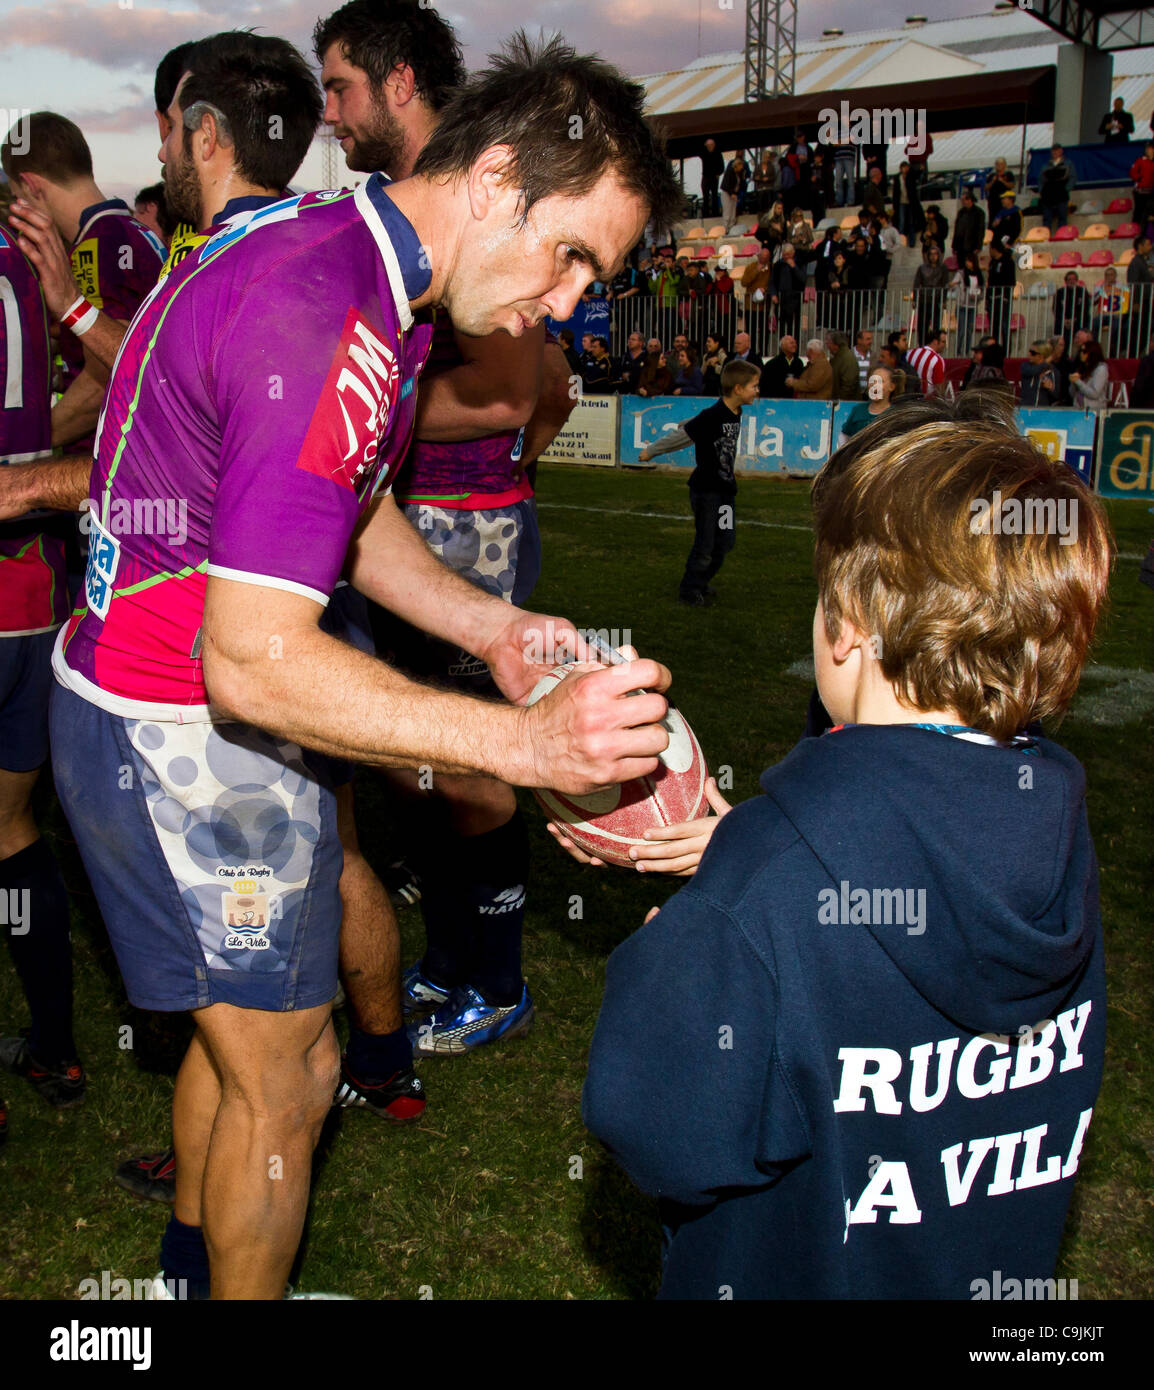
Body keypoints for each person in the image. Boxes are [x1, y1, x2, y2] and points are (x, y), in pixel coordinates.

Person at [41, 30, 682, 1304]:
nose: (566, 306)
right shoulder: (328, 305)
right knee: (291, 1075)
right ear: (497, 179)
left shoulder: (345, 259)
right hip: (182, 727)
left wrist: (487, 629)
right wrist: (520, 745)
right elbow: (258, 663)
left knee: (244, 1057)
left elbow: (338, 506)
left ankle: (185, 1278)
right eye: (571, 256)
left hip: (144, 705)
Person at [583, 398, 1112, 1300]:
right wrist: (759, 857)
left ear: (852, 623)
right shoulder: (1050, 820)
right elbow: (906, 886)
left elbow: (659, 1130)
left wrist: (691, 941)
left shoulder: (772, 875)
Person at [0, 183, 84, 1136]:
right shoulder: (32, 268)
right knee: (14, 830)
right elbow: (108, 382)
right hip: (34, 594)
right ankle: (57, 1042)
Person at [1, 113, 165, 449]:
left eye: (18, 195)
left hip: (106, 466)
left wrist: (29, 446)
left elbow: (103, 381)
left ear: (31, 185)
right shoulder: (137, 230)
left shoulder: (96, 243)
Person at [637, 360, 761, 606]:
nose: (757, 391)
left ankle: (701, 583)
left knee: (725, 541)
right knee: (705, 544)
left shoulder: (735, 412)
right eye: (754, 386)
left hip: (726, 494)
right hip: (707, 493)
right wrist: (651, 450)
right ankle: (689, 590)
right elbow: (683, 436)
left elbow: (697, 423)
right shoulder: (713, 416)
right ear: (738, 388)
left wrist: (689, 423)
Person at [837, 364, 896, 444]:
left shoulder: (895, 414)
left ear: (891, 387)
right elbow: (844, 435)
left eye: (881, 381)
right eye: (872, 381)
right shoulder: (858, 410)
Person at [913, 244, 949, 346]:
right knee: (922, 326)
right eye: (931, 254)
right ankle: (922, 346)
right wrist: (915, 299)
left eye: (935, 254)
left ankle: (935, 346)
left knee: (936, 326)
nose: (933, 256)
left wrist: (944, 300)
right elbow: (916, 283)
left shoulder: (943, 268)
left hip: (937, 299)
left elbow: (945, 284)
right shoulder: (922, 268)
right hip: (924, 299)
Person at [770, 242, 806, 343]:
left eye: (788, 254)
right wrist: (773, 294)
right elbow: (772, 281)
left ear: (793, 253)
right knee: (781, 325)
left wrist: (794, 267)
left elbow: (803, 279)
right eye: (784, 254)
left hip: (795, 298)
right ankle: (782, 346)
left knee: (794, 325)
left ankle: (795, 347)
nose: (786, 257)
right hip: (781, 298)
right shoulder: (778, 265)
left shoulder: (799, 262)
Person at [1038, 145, 1077, 236]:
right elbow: (1040, 180)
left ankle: (1062, 236)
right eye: (1053, 151)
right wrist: (1041, 191)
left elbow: (1073, 178)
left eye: (1057, 150)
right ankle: (1045, 236)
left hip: (1061, 193)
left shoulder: (1068, 163)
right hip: (1047, 193)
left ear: (1061, 151)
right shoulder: (1046, 165)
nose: (1055, 152)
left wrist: (1066, 189)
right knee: (1047, 218)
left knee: (1062, 216)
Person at [1126, 233, 1154, 356]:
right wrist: (1135, 302)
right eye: (1148, 244)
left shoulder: (1143, 261)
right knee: (1140, 330)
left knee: (1145, 329)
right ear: (1140, 246)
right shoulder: (1136, 262)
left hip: (1147, 301)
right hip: (1141, 302)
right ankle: (1133, 354)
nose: (1150, 246)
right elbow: (1134, 283)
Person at [952, 250, 984, 357]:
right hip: (962, 305)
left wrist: (977, 296)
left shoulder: (979, 274)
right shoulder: (961, 273)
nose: (967, 263)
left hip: (973, 305)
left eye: (969, 261)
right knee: (961, 330)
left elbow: (981, 289)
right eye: (966, 261)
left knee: (969, 330)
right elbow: (954, 283)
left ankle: (967, 351)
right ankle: (958, 351)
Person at [986, 239, 1016, 349]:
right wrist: (987, 298)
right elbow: (989, 281)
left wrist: (1006, 296)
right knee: (994, 328)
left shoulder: (1008, 262)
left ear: (994, 249)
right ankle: (995, 350)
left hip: (1003, 299)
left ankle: (1006, 351)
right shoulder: (992, 263)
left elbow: (1011, 282)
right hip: (992, 299)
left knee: (1004, 326)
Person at [1092, 265, 1127, 356]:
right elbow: (1094, 301)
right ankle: (1094, 349)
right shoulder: (1099, 287)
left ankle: (1113, 350)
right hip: (1103, 315)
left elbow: (1125, 302)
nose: (1109, 277)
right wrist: (1103, 289)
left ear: (1115, 276)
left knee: (1117, 327)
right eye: (1107, 275)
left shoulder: (1122, 286)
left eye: (1111, 275)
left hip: (1116, 315)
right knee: (1093, 324)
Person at [1069, 338, 1110, 410]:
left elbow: (1095, 394)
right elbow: (1072, 394)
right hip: (1078, 409)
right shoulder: (1081, 367)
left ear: (1092, 353)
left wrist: (1078, 382)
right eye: (1080, 351)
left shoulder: (1101, 369)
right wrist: (1073, 382)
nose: (1081, 354)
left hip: (1093, 412)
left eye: (1084, 351)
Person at [907, 326, 947, 396]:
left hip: (907, 397)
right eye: (943, 342)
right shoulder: (937, 359)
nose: (945, 345)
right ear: (935, 342)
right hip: (924, 401)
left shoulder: (910, 353)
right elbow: (939, 387)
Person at [1019, 339, 1060, 407]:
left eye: (1033, 353)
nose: (1029, 354)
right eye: (1029, 351)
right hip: (1025, 408)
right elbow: (1032, 371)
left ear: (1041, 355)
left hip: (1042, 411)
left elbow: (1056, 396)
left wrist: (1050, 388)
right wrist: (1046, 363)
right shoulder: (1025, 366)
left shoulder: (1053, 372)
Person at [759, 334, 802, 398]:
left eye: (795, 343)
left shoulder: (799, 362)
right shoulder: (772, 364)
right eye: (791, 343)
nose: (794, 345)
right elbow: (764, 385)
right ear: (783, 346)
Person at [1054, 271, 1092, 342]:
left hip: (1079, 320)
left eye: (1074, 279)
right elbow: (1056, 309)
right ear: (1065, 281)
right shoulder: (1060, 292)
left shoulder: (1082, 291)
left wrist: (1073, 320)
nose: (1072, 281)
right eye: (1069, 279)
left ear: (1077, 281)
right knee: (1060, 330)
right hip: (1064, 322)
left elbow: (1085, 309)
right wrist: (1065, 320)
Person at [951, 188, 986, 266]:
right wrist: (954, 246)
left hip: (971, 245)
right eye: (962, 200)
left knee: (971, 266)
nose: (962, 202)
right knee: (961, 266)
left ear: (970, 200)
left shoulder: (979, 213)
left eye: (964, 200)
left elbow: (980, 230)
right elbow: (957, 230)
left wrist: (978, 246)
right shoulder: (961, 212)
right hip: (960, 245)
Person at [826, 330, 859, 401]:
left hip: (845, 404)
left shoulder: (847, 359)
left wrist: (840, 400)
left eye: (828, 342)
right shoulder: (837, 358)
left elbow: (849, 385)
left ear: (836, 344)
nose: (827, 345)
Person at [1130, 141, 1154, 236]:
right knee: (1138, 211)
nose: (1147, 150)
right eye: (1147, 148)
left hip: (1151, 192)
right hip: (1140, 192)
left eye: (1150, 148)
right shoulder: (1140, 160)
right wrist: (1139, 178)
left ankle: (1145, 233)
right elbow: (1133, 172)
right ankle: (1133, 230)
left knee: (1148, 213)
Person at [720, 155, 748, 231]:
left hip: (734, 194)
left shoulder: (739, 173)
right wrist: (731, 193)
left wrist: (736, 194)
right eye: (741, 166)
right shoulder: (729, 171)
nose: (742, 167)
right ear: (737, 165)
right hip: (727, 193)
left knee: (733, 212)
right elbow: (725, 184)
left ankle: (731, 228)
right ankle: (725, 228)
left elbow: (740, 184)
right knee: (727, 211)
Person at [986, 157, 1014, 229]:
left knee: (1004, 218)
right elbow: (986, 188)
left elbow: (1012, 185)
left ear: (1004, 165)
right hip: (993, 200)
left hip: (1004, 200)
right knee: (992, 218)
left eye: (1000, 164)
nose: (998, 166)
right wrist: (992, 181)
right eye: (997, 164)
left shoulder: (1008, 174)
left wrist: (1003, 181)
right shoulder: (992, 175)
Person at [700, 137, 724, 219]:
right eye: (708, 145)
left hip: (714, 177)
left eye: (711, 145)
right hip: (706, 177)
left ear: (714, 145)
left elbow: (722, 166)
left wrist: (719, 173)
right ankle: (705, 214)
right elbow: (700, 150)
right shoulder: (704, 153)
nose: (710, 147)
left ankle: (715, 213)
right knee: (705, 196)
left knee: (714, 195)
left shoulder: (718, 153)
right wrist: (705, 145)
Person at [617, 330, 648, 394]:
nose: (630, 341)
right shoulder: (624, 357)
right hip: (625, 393)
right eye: (629, 339)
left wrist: (631, 376)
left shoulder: (647, 357)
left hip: (642, 393)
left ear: (641, 343)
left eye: (633, 339)